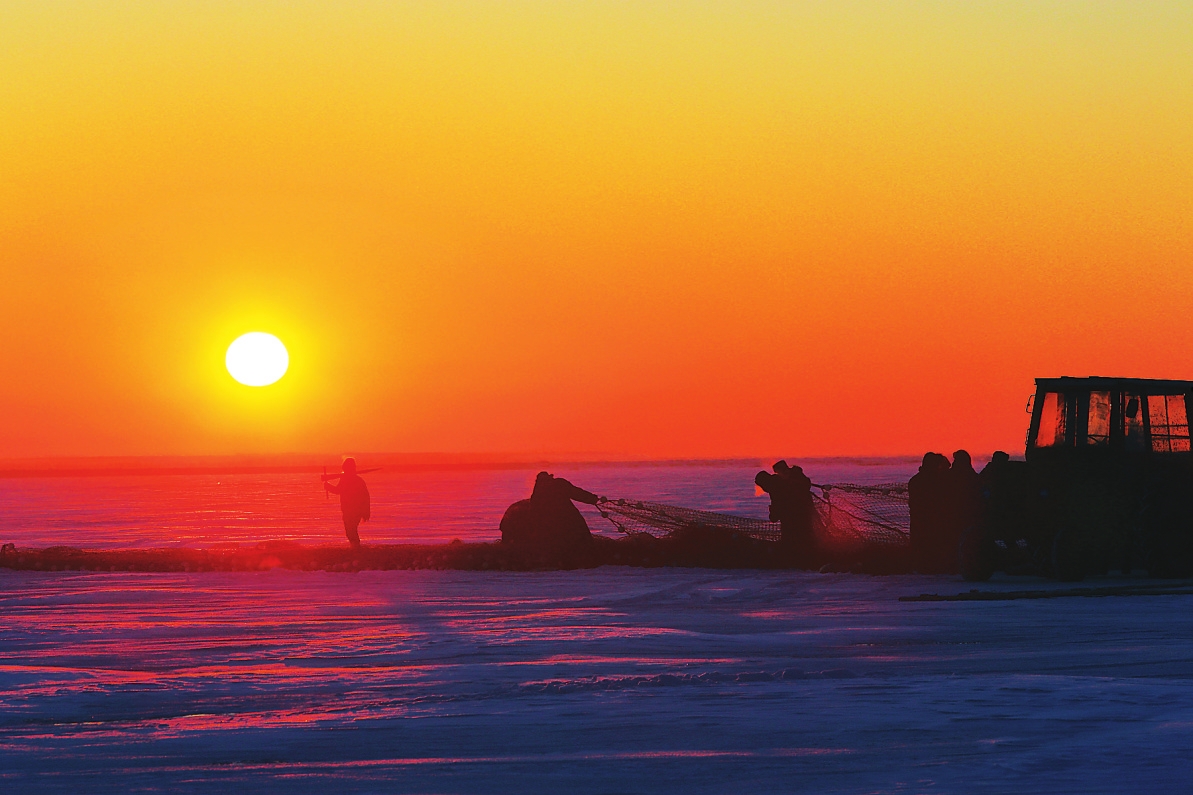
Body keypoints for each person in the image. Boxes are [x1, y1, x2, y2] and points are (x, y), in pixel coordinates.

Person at [500, 472, 600, 550]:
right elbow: (577, 493)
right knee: (580, 537)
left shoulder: (538, 493)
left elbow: (534, 509)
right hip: (568, 518)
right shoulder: (559, 484)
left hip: (553, 522)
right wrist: (593, 499)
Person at [755, 460, 815, 564]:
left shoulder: (775, 486)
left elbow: (776, 509)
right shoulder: (787, 480)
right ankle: (806, 553)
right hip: (805, 513)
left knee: (794, 539)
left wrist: (773, 514)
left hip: (792, 518)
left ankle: (799, 558)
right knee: (806, 535)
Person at [908, 452, 950, 572]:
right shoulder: (936, 481)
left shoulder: (915, 480)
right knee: (932, 542)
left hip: (917, 517)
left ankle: (920, 566)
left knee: (919, 543)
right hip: (931, 518)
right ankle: (931, 566)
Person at [324, 457, 371, 549]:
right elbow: (366, 497)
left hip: (352, 510)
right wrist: (366, 511)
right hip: (350, 509)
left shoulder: (349, 480)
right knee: (351, 529)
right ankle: (355, 546)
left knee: (350, 529)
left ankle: (355, 547)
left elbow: (338, 490)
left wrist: (328, 487)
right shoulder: (357, 480)